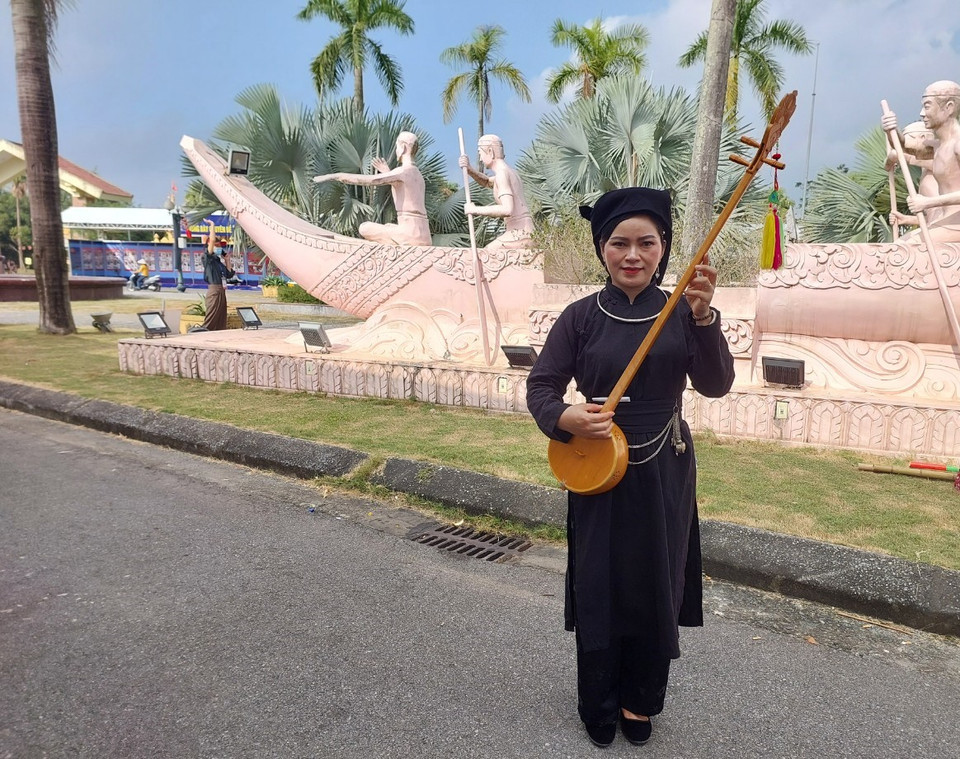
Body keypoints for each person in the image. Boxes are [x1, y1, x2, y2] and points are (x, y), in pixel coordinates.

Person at [525, 187, 735, 748]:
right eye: (619, 243)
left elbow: (716, 386)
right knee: (600, 581)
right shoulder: (579, 318)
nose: (633, 255)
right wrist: (567, 417)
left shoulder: (683, 314)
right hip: (596, 464)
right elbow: (541, 387)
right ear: (602, 248)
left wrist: (704, 316)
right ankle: (596, 700)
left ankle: (640, 702)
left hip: (665, 464)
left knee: (655, 580)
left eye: (647, 243)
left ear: (664, 248)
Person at [313, 131, 431, 246]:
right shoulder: (418, 176)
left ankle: (396, 248)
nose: (396, 150)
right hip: (424, 235)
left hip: (409, 235)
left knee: (364, 228)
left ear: (403, 148)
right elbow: (403, 194)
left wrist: (336, 176)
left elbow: (369, 180)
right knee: (389, 226)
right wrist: (387, 172)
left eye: (397, 146)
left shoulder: (403, 171)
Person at [882, 80, 960, 242]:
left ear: (949, 107)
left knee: (904, 250)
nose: (922, 113)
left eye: (927, 106)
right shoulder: (937, 146)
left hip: (956, 224)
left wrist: (928, 202)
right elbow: (903, 146)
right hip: (943, 222)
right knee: (898, 245)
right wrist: (892, 129)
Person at [459, 134, 535, 249]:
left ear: (490, 151)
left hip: (521, 234)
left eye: (480, 153)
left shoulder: (502, 174)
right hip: (523, 232)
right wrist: (469, 169)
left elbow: (507, 209)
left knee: (488, 254)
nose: (480, 159)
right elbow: (487, 182)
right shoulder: (509, 172)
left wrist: (474, 209)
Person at [201, 220, 235, 331]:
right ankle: (202, 334)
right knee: (211, 319)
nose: (218, 247)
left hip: (222, 291)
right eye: (216, 245)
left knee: (221, 319)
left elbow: (229, 274)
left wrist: (227, 260)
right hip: (214, 290)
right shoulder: (208, 258)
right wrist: (212, 225)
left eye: (219, 245)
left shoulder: (218, 262)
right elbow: (211, 240)